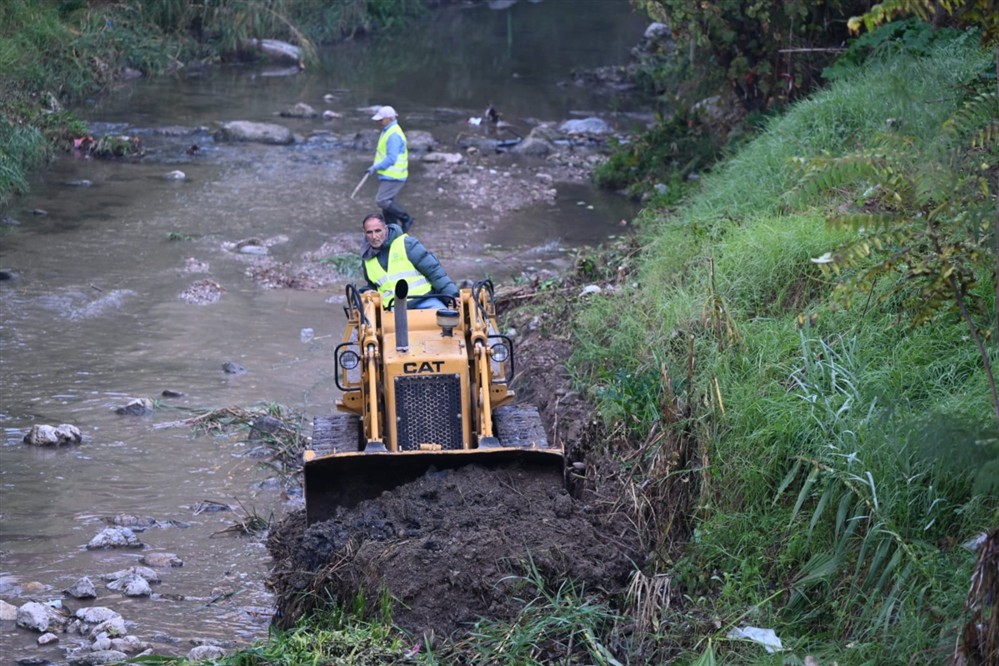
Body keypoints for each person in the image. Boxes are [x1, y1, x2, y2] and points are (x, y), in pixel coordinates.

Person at [360, 212, 458, 310]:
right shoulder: (367, 259)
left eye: (378, 231)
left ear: (385, 229)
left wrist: (453, 296)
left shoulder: (407, 244)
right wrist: (366, 292)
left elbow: (434, 272)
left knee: (447, 318)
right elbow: (375, 286)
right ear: (364, 233)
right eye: (369, 232)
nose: (374, 236)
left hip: (425, 300)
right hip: (394, 308)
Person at [367, 105, 414, 232]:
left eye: (381, 120)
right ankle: (392, 230)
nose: (378, 122)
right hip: (390, 174)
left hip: (394, 175)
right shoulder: (389, 130)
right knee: (387, 206)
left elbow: (391, 159)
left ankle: (406, 218)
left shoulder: (393, 135)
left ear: (389, 118)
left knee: (382, 200)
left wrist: (375, 167)